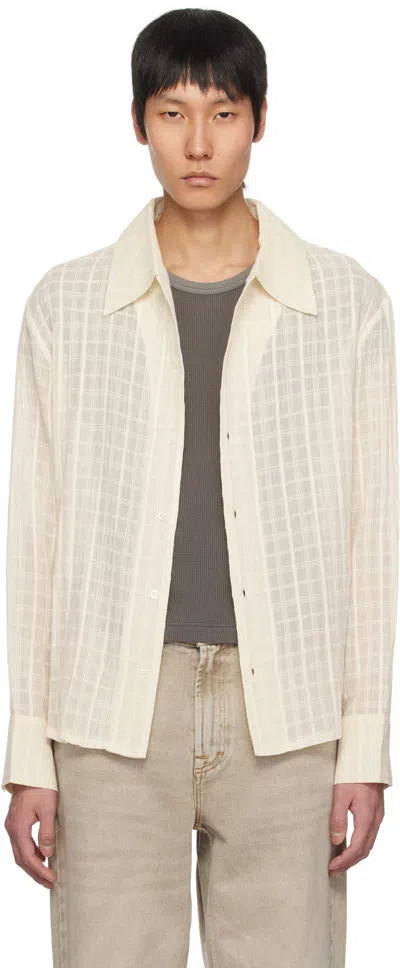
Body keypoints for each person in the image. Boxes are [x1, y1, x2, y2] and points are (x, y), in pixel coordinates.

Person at [2, 8, 399, 967]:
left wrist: (365, 749)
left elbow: (374, 534)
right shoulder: (68, 305)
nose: (198, 142)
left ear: (260, 119)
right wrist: (28, 754)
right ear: (137, 122)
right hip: (110, 714)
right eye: (173, 113)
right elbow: (34, 536)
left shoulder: (345, 302)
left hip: (288, 713)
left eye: (222, 113)